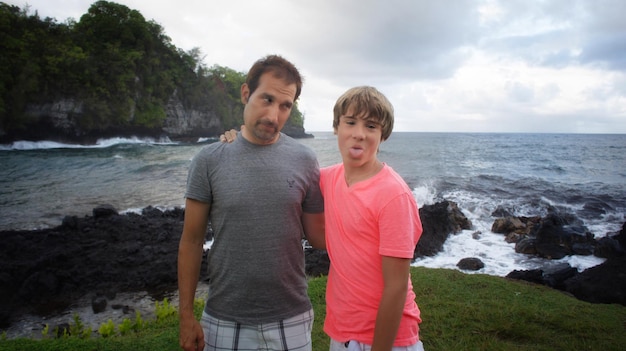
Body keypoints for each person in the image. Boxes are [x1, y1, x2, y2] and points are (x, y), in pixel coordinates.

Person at [177, 54, 325, 351]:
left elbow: (320, 238)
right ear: (246, 93)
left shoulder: (306, 160)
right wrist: (185, 316)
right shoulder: (209, 160)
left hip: (291, 316)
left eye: (285, 106)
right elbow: (191, 241)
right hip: (224, 318)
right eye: (266, 99)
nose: (274, 116)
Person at [321, 86, 424, 351]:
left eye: (371, 126)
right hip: (342, 330)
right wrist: (237, 142)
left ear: (383, 135)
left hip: (386, 339)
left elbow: (396, 286)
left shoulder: (393, 194)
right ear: (336, 127)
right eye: (350, 122)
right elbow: (286, 170)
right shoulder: (328, 178)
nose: (358, 134)